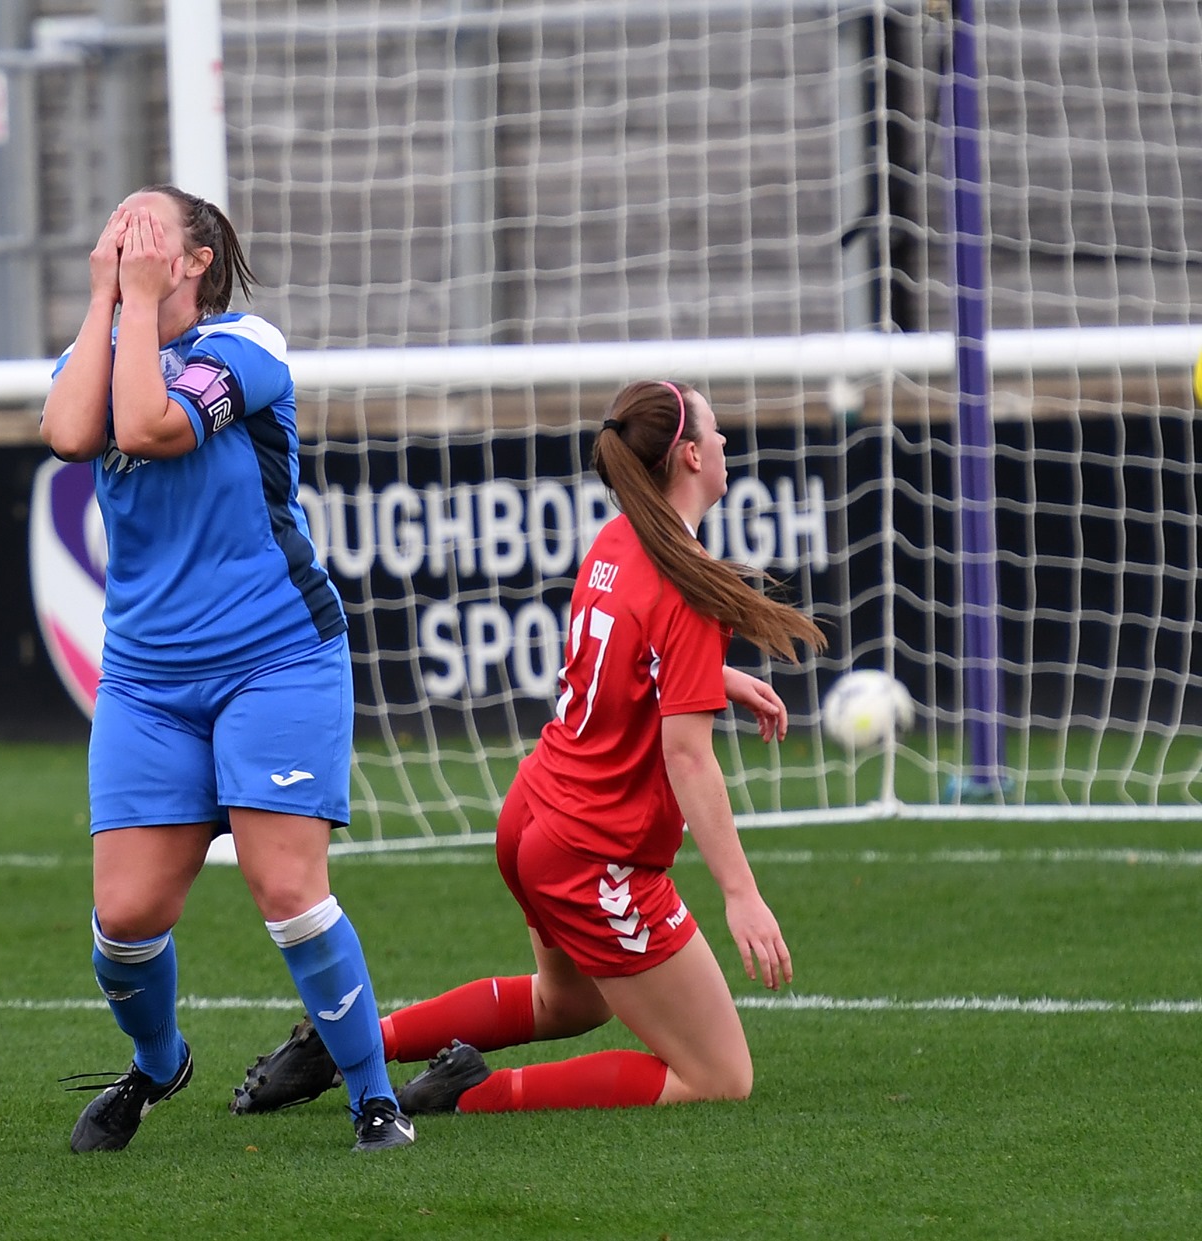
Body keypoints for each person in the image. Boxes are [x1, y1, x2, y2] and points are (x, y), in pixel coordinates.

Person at [229, 379, 826, 1117]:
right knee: (719, 1075)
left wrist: (715, 676)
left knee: (568, 1002)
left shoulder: (618, 542)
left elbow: (625, 659)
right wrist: (741, 895)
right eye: (717, 427)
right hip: (591, 852)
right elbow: (689, 758)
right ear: (693, 454)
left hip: (531, 816)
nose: (730, 442)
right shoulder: (688, 583)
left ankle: (350, 1041)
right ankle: (472, 1091)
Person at [41, 186, 414, 1153]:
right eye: (112, 224)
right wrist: (105, 302)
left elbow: (146, 429)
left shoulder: (248, 346)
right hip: (148, 682)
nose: (122, 235)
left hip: (275, 658)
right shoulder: (100, 349)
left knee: (286, 888)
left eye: (144, 226)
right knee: (124, 917)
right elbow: (70, 434)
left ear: (196, 260)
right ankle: (159, 1063)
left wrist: (135, 309)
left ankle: (375, 1096)